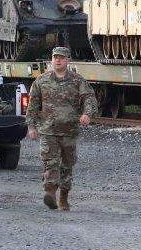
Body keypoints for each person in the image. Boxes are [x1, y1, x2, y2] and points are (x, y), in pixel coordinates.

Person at [26, 47, 98, 211]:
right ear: (51, 60)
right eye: (55, 57)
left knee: (67, 165)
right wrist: (31, 126)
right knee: (50, 163)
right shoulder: (41, 81)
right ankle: (50, 193)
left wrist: (87, 114)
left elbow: (89, 98)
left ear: (67, 61)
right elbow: (33, 106)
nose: (57, 60)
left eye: (61, 58)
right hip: (48, 130)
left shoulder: (77, 80)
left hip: (69, 131)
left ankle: (64, 198)